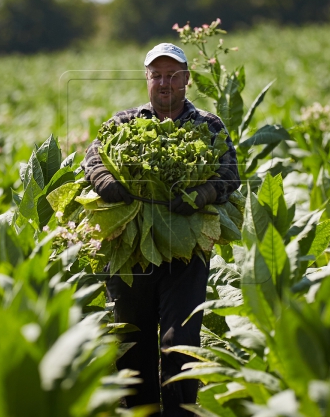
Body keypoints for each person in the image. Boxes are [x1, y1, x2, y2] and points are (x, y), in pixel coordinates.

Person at [81, 43, 241, 415]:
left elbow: (230, 173)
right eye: (157, 76)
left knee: (179, 340)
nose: (164, 83)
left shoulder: (208, 124)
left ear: (186, 80)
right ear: (147, 79)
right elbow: (93, 156)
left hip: (187, 248)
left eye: (173, 76)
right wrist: (105, 179)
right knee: (132, 342)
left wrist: (202, 194)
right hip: (131, 247)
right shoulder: (124, 122)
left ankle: (181, 412)